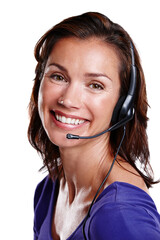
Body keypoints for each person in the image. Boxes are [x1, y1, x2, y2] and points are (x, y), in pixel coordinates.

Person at [28, 12, 160, 240]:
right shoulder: (48, 190)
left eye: (95, 85)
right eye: (58, 77)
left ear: (123, 104)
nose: (68, 100)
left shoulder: (120, 212)